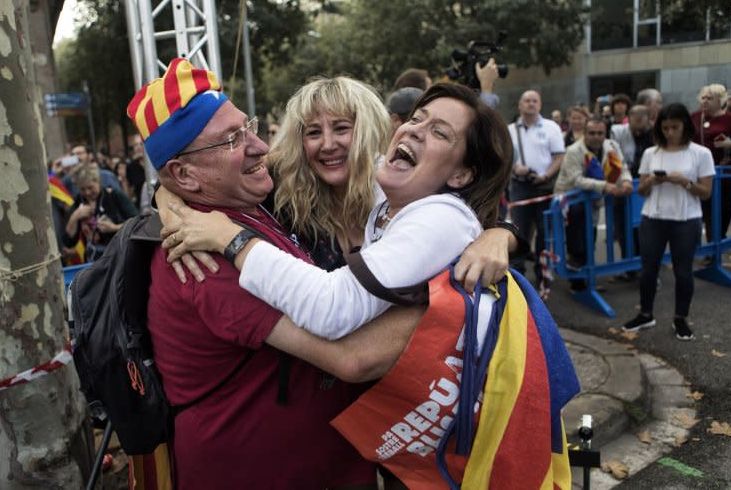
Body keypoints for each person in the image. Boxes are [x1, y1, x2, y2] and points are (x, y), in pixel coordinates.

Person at [129, 59, 434, 489]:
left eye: (247, 126)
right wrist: (448, 293)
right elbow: (352, 358)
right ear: (185, 174)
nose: (258, 146)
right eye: (233, 139)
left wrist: (494, 235)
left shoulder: (253, 204)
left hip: (339, 458)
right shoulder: (203, 254)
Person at [162, 81, 513, 342]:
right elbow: (187, 177)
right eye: (313, 132)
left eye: (343, 128)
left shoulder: (397, 189)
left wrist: (499, 234)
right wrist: (168, 206)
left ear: (372, 130)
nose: (328, 144)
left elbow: (463, 214)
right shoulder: (280, 196)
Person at [621, 103, 714, 341]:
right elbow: (640, 190)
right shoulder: (652, 153)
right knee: (648, 269)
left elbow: (706, 192)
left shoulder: (701, 153)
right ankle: (645, 313)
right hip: (653, 217)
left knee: (683, 272)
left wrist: (685, 182)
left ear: (685, 126)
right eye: (665, 128)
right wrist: (652, 181)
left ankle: (680, 318)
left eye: (675, 127)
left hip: (686, 218)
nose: (670, 133)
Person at [555, 117, 632, 291]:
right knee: (579, 242)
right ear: (584, 133)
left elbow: (623, 168)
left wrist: (626, 181)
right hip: (571, 202)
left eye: (600, 133)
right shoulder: (573, 150)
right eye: (592, 133)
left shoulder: (612, 146)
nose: (596, 137)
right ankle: (577, 280)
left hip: (595, 200)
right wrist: (607, 186)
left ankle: (588, 280)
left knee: (592, 238)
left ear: (605, 134)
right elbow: (576, 180)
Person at [508, 90, 565, 292]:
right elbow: (505, 159)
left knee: (544, 232)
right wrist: (515, 168)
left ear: (540, 105)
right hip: (520, 186)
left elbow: (559, 157)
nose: (531, 104)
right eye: (527, 101)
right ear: (520, 105)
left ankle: (543, 276)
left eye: (534, 101)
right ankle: (517, 276)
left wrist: (546, 175)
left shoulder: (551, 127)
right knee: (518, 233)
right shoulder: (510, 130)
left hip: (544, 187)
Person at [690, 83, 731, 240]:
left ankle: (715, 250)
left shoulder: (730, 119)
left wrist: (729, 144)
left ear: (720, 100)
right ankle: (700, 249)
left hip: (725, 176)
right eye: (703, 97)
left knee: (721, 214)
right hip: (700, 175)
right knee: (701, 213)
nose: (705, 101)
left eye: (710, 98)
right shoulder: (694, 117)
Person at [611, 104, 655, 274]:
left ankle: (646, 266)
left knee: (644, 230)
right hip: (624, 187)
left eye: (641, 122)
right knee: (622, 228)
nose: (637, 127)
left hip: (645, 188)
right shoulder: (620, 132)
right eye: (633, 122)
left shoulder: (654, 135)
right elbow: (616, 157)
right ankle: (628, 265)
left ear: (648, 119)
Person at [63, 163, 138, 262]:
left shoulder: (114, 195)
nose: (87, 193)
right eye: (82, 189)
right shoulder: (79, 202)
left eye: (90, 187)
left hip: (121, 255)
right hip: (94, 259)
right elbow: (69, 242)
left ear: (98, 181)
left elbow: (138, 222)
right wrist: (74, 217)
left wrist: (114, 228)